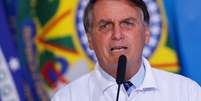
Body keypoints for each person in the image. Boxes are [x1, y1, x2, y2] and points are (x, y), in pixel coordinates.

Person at [51, 0, 201, 101]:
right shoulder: (67, 97)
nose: (117, 35)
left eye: (127, 23)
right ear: (89, 39)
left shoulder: (186, 93)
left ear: (146, 34)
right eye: (105, 26)